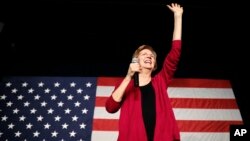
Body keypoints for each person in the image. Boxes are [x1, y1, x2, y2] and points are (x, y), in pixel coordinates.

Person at [105, 3, 183, 141]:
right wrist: (128, 76)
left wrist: (178, 17)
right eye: (144, 54)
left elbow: (175, 53)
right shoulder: (126, 85)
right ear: (136, 61)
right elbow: (110, 107)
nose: (149, 56)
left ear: (154, 65)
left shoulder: (160, 81)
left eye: (152, 56)